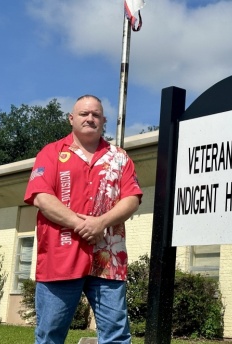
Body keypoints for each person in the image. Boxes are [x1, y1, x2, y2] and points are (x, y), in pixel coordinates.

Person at [24, 95, 143, 344]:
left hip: (108, 261)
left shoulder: (119, 157)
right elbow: (41, 197)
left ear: (104, 120)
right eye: (84, 114)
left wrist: (100, 223)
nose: (90, 118)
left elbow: (132, 198)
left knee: (117, 337)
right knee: (50, 336)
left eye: (96, 115)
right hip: (61, 257)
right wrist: (82, 225)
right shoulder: (51, 153)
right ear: (71, 119)